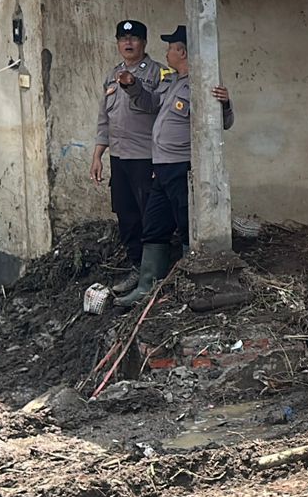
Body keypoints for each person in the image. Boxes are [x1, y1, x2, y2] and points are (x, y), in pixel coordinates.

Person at [115, 25, 234, 307]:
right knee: (154, 225)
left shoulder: (203, 86)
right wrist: (132, 86)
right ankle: (146, 288)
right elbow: (151, 103)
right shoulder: (172, 82)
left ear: (182, 52)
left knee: (186, 224)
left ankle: (191, 286)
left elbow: (223, 123)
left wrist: (226, 103)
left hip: (182, 167)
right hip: (162, 167)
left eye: (170, 48)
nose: (166, 52)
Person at [89, 20, 163, 294]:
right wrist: (98, 155)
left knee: (150, 217)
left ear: (144, 42)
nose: (128, 43)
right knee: (127, 216)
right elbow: (104, 119)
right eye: (123, 38)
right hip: (119, 158)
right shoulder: (112, 74)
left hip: (146, 157)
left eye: (133, 38)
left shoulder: (158, 74)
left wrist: (133, 86)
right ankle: (137, 267)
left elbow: (154, 106)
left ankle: (155, 273)